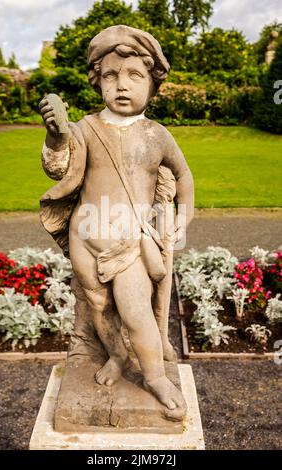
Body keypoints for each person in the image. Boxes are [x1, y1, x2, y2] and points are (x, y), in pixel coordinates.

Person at [39, 25, 194, 421]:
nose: (121, 85)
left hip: (129, 244)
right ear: (98, 81)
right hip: (83, 237)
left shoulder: (156, 135)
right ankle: (117, 354)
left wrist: (183, 215)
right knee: (97, 305)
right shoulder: (87, 129)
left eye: (133, 76)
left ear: (152, 84)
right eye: (111, 75)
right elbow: (58, 167)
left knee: (136, 308)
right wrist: (57, 134)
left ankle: (156, 376)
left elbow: (184, 177)